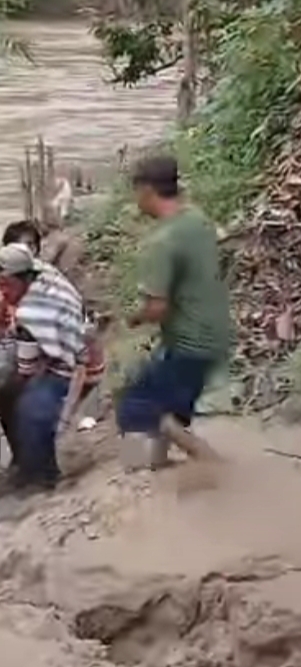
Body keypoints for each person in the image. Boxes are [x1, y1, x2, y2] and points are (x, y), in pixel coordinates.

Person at [117, 155, 231, 468]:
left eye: (136, 191)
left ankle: (213, 463)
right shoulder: (197, 218)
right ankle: (159, 461)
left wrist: (133, 317)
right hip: (216, 331)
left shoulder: (162, 241)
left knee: (138, 405)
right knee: (167, 399)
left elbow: (157, 308)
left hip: (189, 341)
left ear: (146, 190)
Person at [0, 243, 87, 490]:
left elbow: (27, 370)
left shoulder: (30, 313)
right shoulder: (45, 273)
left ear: (24, 278)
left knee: (28, 407)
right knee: (7, 396)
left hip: (72, 364)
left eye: (7, 286)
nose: (3, 292)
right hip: (72, 341)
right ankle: (25, 461)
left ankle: (43, 474)